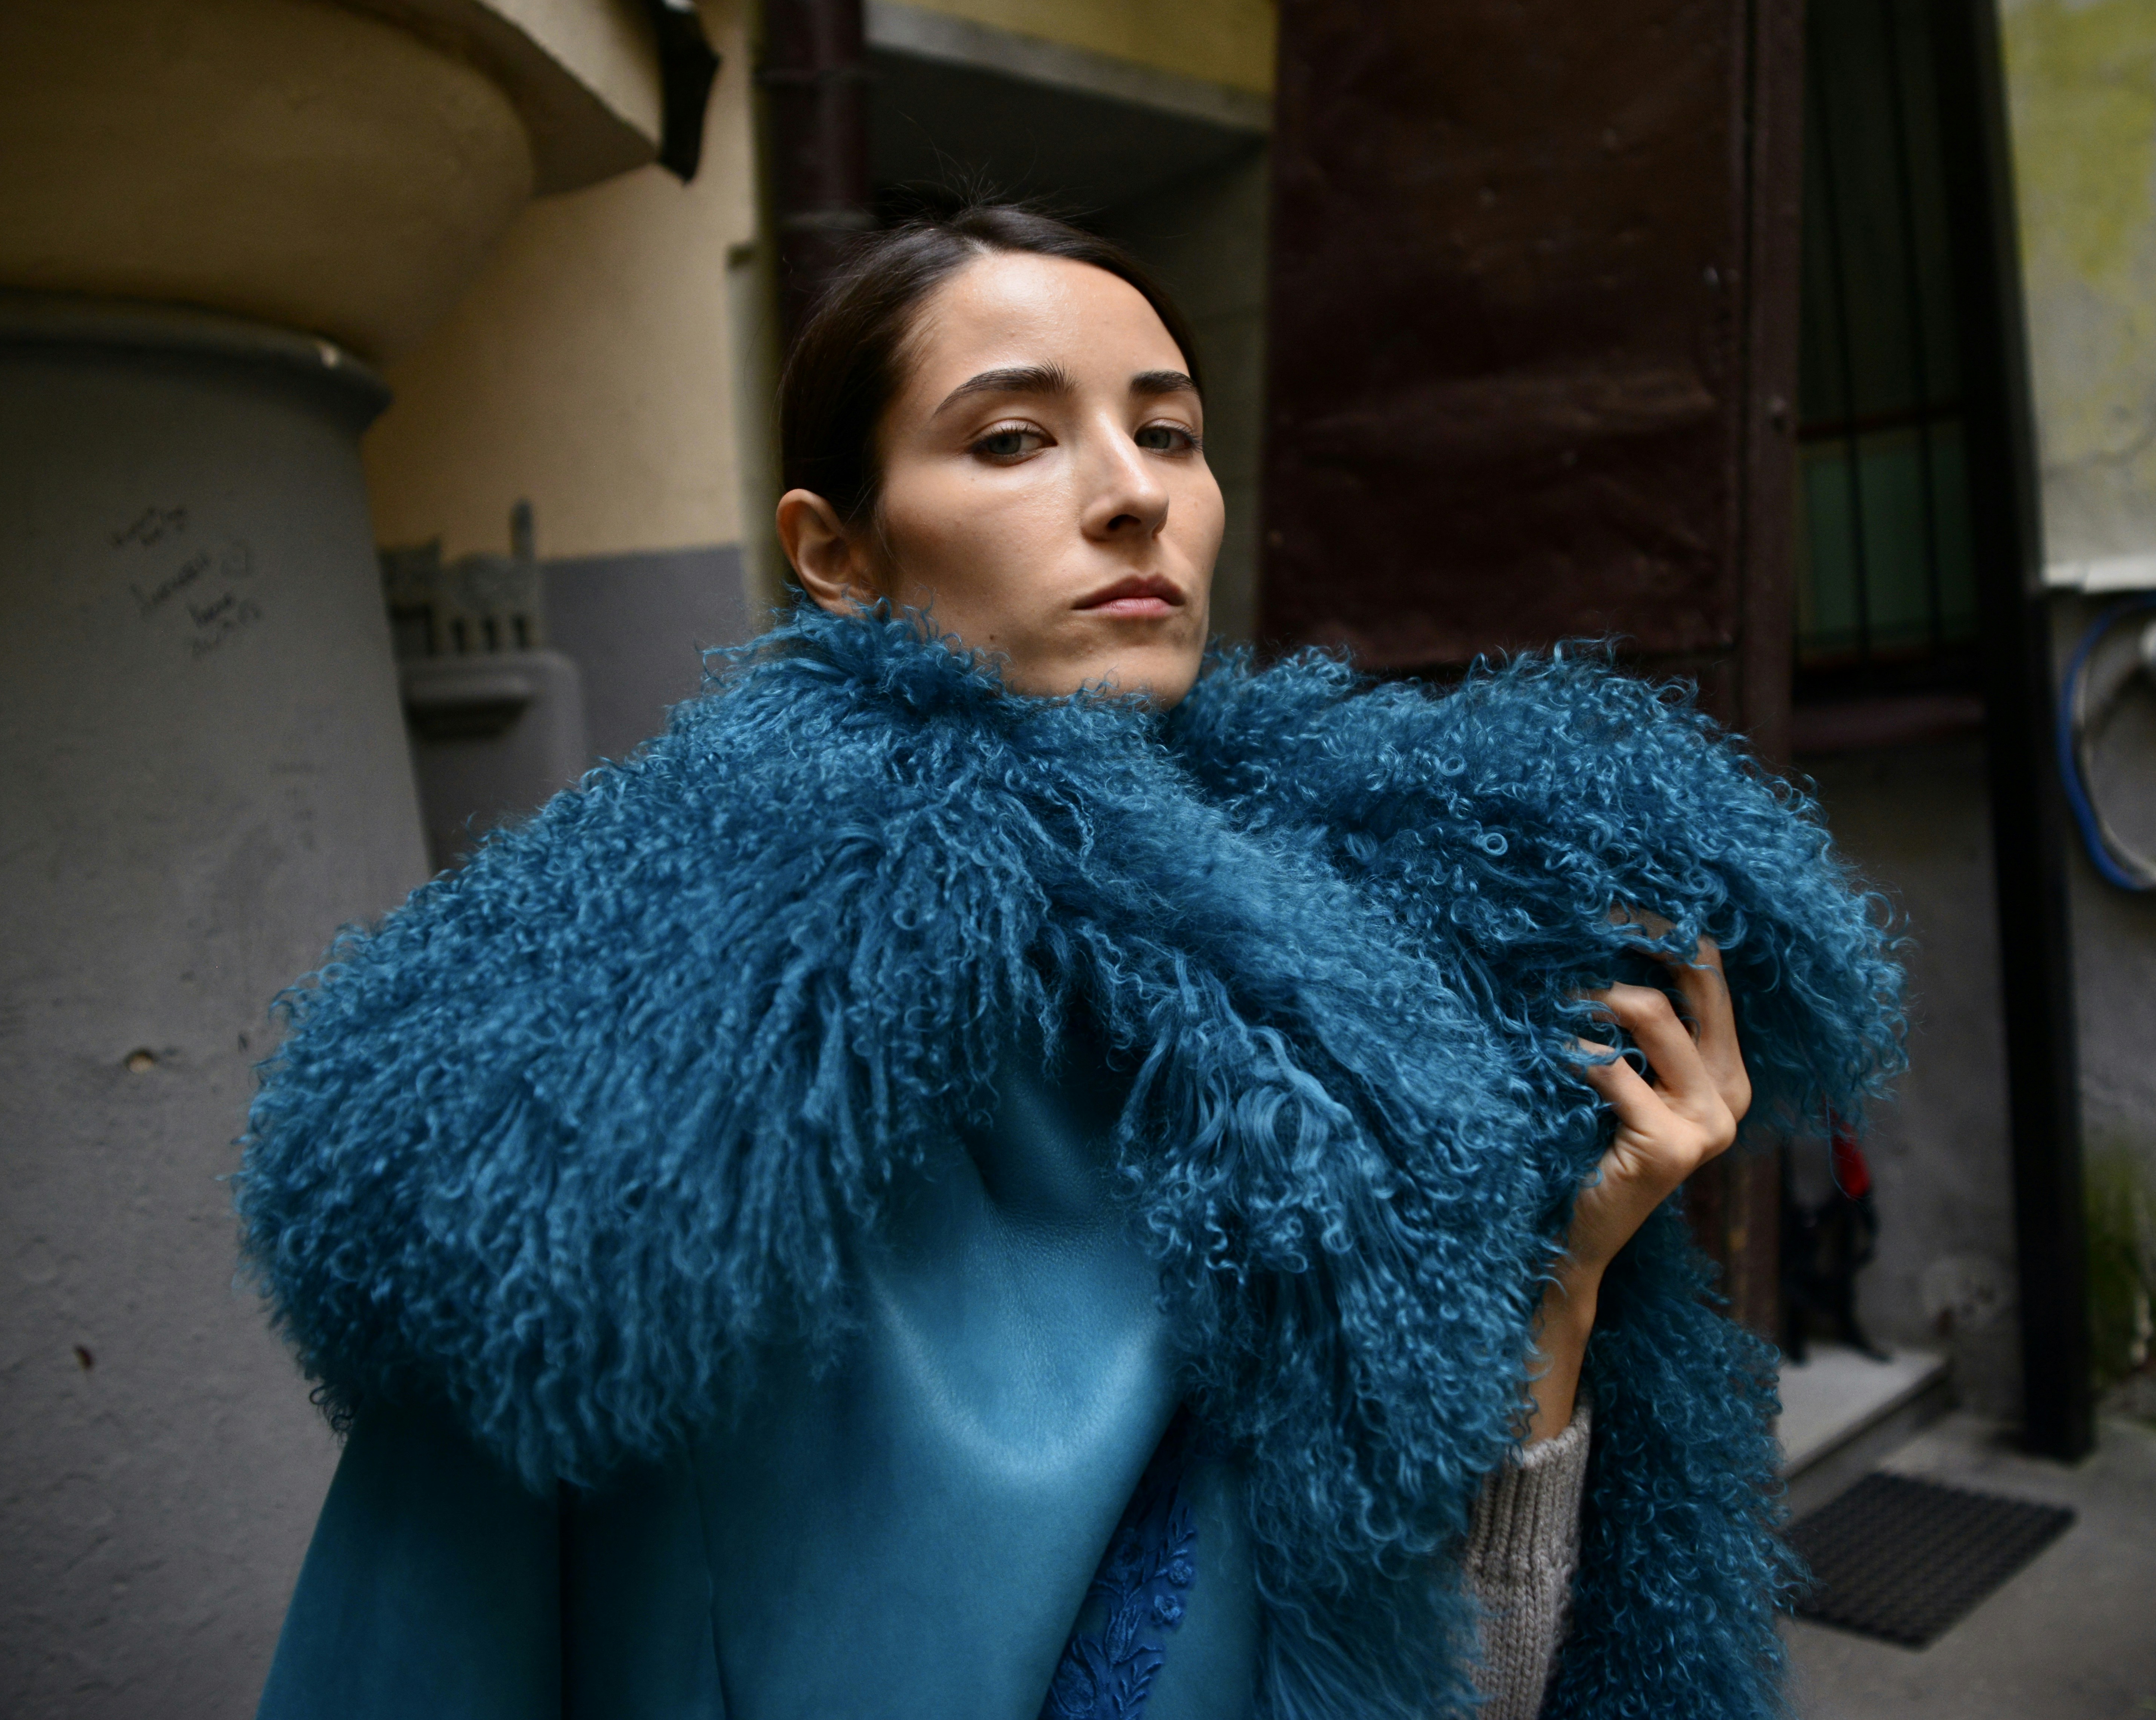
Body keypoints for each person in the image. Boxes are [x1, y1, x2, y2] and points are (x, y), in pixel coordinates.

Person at [237, 204, 1904, 1720]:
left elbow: (1437, 1683)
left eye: (1169, 430)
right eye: (1017, 437)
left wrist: (1561, 1280)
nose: (1134, 492)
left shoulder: (1406, 977)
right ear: (838, 552)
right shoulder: (647, 1076)